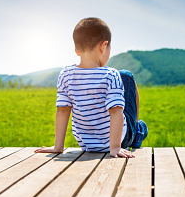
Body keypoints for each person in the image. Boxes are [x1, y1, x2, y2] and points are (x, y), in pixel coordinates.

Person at [34, 17, 148, 158]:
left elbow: (62, 110)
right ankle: (137, 130)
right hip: (118, 141)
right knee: (127, 75)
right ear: (104, 46)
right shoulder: (112, 75)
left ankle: (133, 130)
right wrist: (115, 147)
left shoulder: (66, 74)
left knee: (123, 78)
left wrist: (58, 147)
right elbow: (116, 112)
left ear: (76, 49)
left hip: (87, 144)